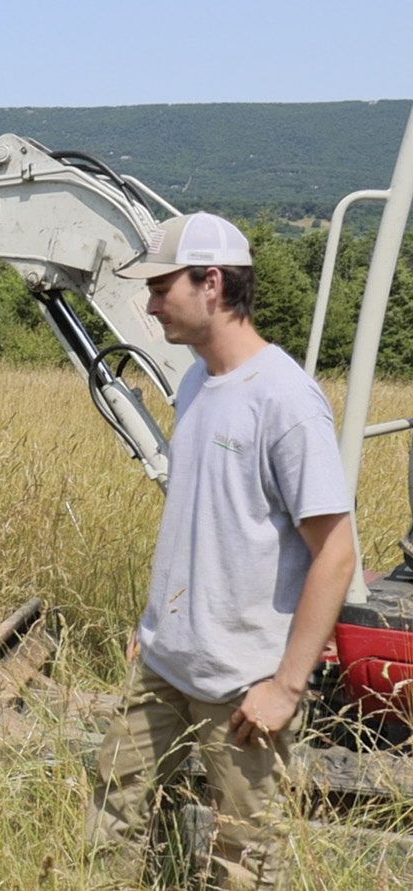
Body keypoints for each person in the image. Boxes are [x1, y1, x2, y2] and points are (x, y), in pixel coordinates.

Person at [87, 213, 356, 888]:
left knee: (243, 860)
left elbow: (338, 552)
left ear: (212, 283)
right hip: (164, 665)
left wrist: (286, 685)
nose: (149, 305)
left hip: (243, 686)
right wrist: (158, 625)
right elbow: (202, 518)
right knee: (110, 825)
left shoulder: (285, 399)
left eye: (160, 287)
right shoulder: (197, 384)